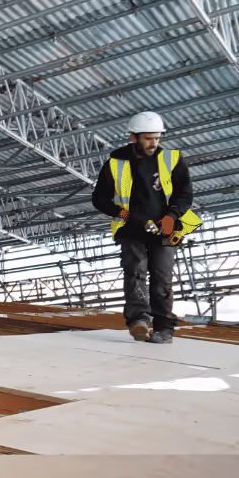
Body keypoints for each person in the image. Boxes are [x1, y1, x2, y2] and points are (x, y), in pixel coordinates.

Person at [91, 111, 203, 344]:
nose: (154, 143)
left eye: (157, 138)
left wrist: (171, 217)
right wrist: (123, 214)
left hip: (165, 229)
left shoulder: (172, 159)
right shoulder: (114, 164)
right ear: (133, 137)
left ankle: (164, 328)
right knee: (135, 273)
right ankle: (139, 320)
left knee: (162, 278)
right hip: (131, 229)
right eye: (148, 138)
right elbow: (100, 198)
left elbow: (184, 195)